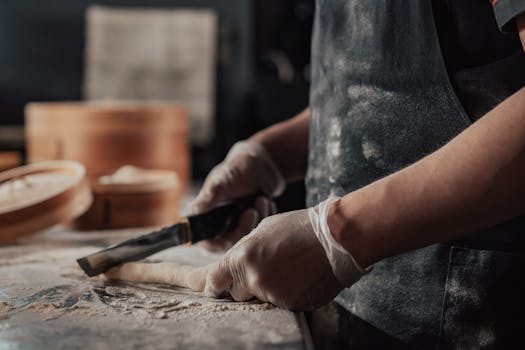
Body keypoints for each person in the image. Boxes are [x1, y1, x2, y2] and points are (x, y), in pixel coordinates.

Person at [192, 0, 525, 347]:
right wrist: (269, 155)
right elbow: (386, 96)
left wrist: (340, 232)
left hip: (468, 315)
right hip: (344, 314)